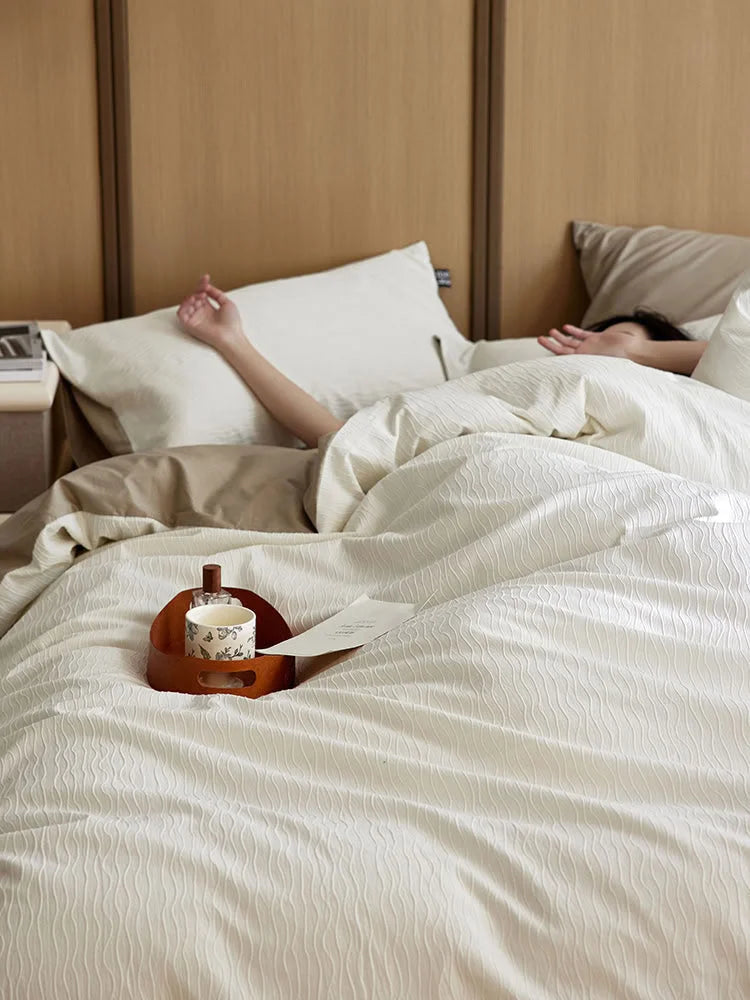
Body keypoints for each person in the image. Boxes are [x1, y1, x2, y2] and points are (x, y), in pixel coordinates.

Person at [177, 275, 708, 448]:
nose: (595, 353)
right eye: (586, 343)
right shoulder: (498, 410)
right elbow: (344, 443)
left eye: (618, 342)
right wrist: (233, 343)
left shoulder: (692, 416)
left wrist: (636, 351)